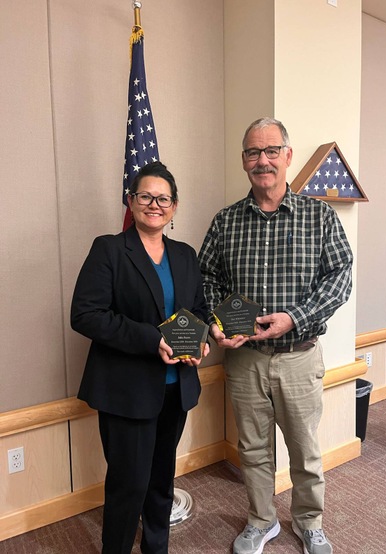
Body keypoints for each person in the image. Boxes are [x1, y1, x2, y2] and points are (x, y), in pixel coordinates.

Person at [198, 117, 353, 554]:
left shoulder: (318, 216)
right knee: (253, 449)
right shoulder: (226, 221)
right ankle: (261, 521)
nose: (261, 160)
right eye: (252, 152)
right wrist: (216, 322)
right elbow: (205, 278)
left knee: (305, 451)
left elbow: (340, 276)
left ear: (287, 156)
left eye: (270, 151)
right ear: (243, 160)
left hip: (298, 355)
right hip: (244, 360)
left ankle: (309, 522)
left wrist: (296, 317)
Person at [71, 161, 209, 554]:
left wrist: (199, 341)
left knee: (161, 480)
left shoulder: (184, 255)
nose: (154, 204)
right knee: (128, 485)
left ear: (174, 207)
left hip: (175, 390)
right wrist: (152, 340)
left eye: (163, 198)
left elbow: (197, 309)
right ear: (130, 201)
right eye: (145, 196)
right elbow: (85, 314)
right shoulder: (110, 249)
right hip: (126, 391)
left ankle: (156, 548)